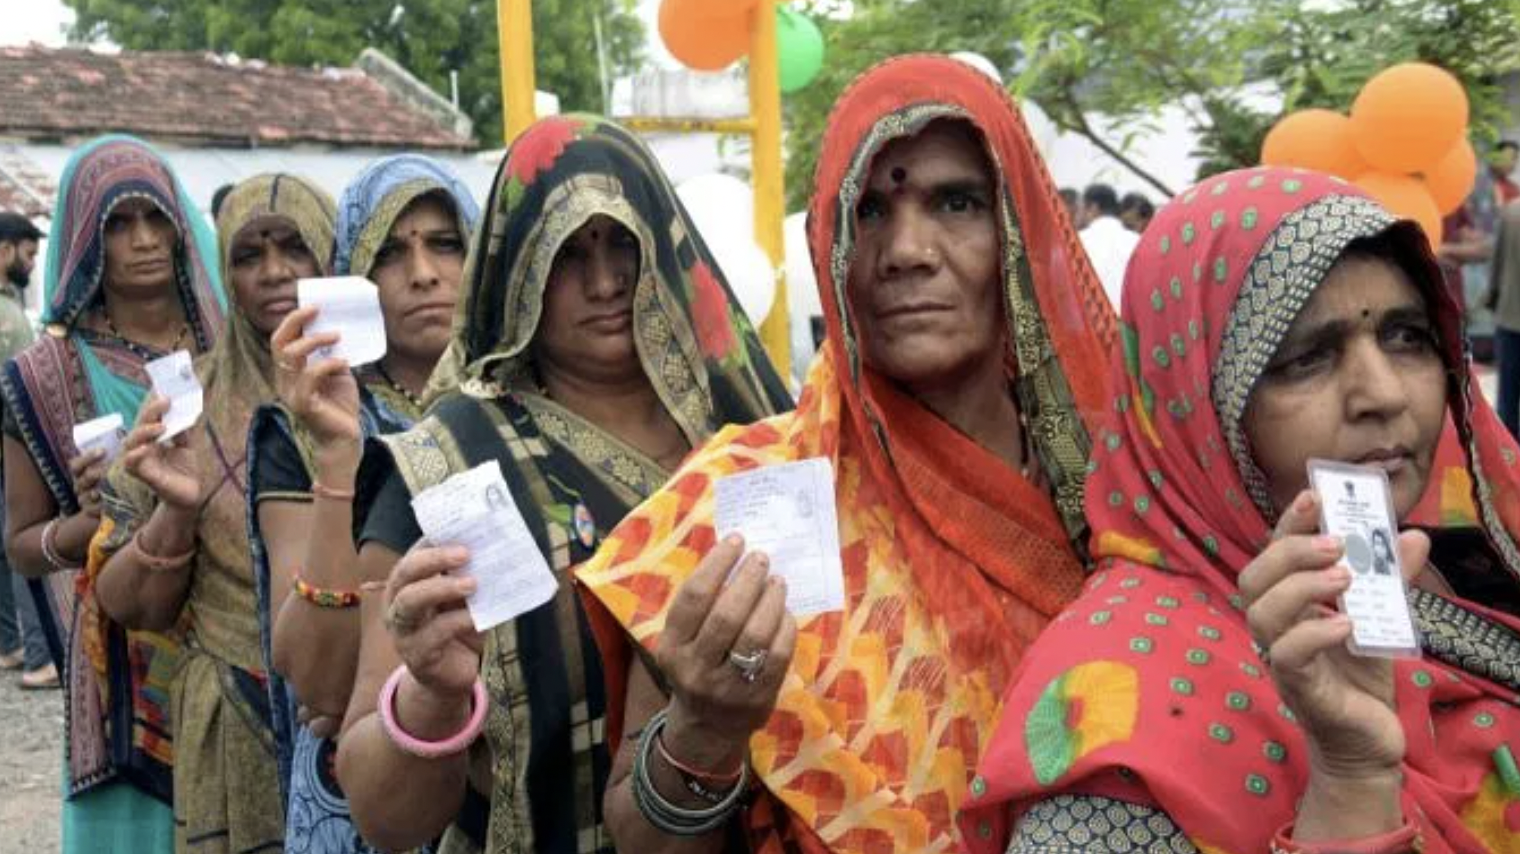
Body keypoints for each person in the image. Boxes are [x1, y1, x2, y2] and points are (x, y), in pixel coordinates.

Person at [576, 54, 1117, 853]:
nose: (906, 250)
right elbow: (638, 836)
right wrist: (702, 733)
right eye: (867, 211)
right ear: (828, 245)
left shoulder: (1120, 489)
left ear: (1021, 232)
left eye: (957, 203)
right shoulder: (741, 501)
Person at [961, 167, 1520, 854]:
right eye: (1304, 358)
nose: (1382, 393)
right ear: (1193, 402)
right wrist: (1348, 780)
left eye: (1407, 337)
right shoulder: (1118, 743)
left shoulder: (1453, 563)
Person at [334, 114, 792, 853]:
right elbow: (386, 822)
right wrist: (432, 695)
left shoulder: (757, 433)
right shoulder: (451, 462)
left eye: (622, 242)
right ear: (518, 268)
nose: (606, 281)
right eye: (568, 252)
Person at [92, 173, 336, 854]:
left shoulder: (380, 396)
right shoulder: (184, 401)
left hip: (364, 718)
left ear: (332, 256)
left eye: (296, 248)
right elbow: (124, 603)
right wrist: (175, 513)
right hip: (235, 729)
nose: (276, 272)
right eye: (249, 255)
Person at [247, 154, 479, 853]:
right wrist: (340, 457)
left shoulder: (518, 410)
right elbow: (318, 680)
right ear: (352, 276)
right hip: (360, 796)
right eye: (389, 251)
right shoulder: (301, 426)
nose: (423, 273)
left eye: (445, 243)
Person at [0, 135, 224, 852]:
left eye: (156, 217)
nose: (145, 241)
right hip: (119, 678)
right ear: (82, 237)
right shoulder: (41, 377)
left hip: (238, 648)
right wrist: (88, 523)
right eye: (118, 223)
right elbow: (23, 548)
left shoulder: (235, 352)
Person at [0, 212, 50, 684]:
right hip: (10, 446)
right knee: (25, 542)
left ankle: (11, 645)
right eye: (28, 254)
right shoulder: (8, 317)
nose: (32, 265)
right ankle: (40, 657)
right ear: (5, 250)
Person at [1485, 199, 1520, 436]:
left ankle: (1509, 463)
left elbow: (1496, 263)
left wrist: (1493, 297)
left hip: (1510, 318)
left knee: (1508, 400)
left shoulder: (1512, 211)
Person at [1078, 182, 1140, 307]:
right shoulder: (1137, 240)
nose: (1080, 214)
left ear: (1093, 208)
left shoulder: (1078, 241)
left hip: (1088, 319)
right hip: (1129, 321)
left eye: (1082, 208)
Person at [1489, 141, 1518, 206]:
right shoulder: (1478, 183)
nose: (1512, 163)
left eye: (1514, 158)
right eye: (1508, 157)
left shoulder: (1512, 188)